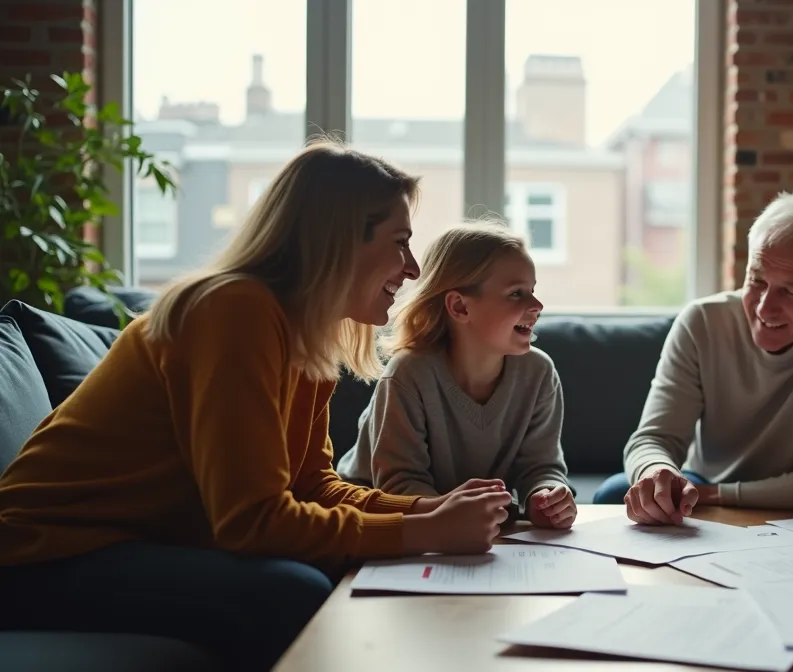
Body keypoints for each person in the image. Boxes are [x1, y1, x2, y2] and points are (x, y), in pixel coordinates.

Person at [0, 140, 513, 672]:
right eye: (400, 243)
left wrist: (433, 508)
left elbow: (312, 485)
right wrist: (424, 532)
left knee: (318, 573)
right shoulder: (233, 310)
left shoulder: (308, 333)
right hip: (43, 554)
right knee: (291, 589)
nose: (412, 269)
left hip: (136, 541)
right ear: (337, 241)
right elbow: (251, 520)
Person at [595, 190, 793, 523]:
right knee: (617, 493)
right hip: (703, 486)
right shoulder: (702, 321)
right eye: (756, 280)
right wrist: (658, 471)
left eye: (789, 291)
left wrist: (721, 495)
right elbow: (653, 438)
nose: (764, 306)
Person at [336, 222, 576, 529]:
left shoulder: (539, 373)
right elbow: (398, 484)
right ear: (459, 306)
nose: (537, 305)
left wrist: (545, 497)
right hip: (373, 521)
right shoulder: (408, 374)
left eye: (532, 291)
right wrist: (451, 516)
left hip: (459, 524)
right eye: (516, 293)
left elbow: (541, 466)